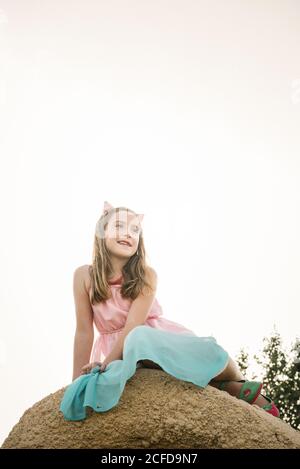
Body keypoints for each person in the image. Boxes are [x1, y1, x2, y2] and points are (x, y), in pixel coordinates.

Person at [68, 200, 279, 419]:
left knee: (200, 352)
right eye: (119, 226)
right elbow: (83, 331)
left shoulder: (146, 276)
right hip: (120, 350)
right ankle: (230, 389)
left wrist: (106, 363)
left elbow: (133, 326)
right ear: (101, 232)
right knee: (136, 366)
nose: (129, 233)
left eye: (135, 229)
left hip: (151, 341)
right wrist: (75, 384)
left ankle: (236, 383)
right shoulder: (84, 276)